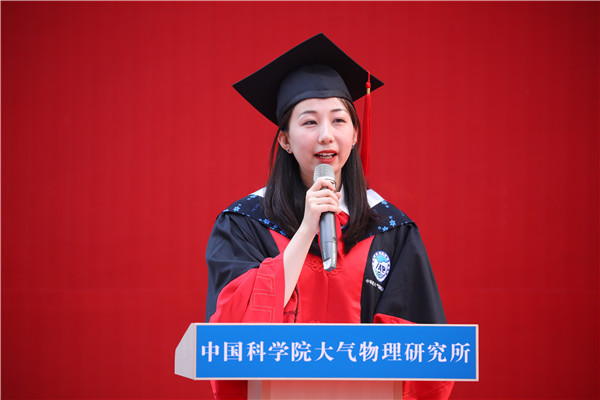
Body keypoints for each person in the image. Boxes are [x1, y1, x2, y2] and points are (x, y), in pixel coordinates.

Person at [205, 33, 453, 400]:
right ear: (285, 140)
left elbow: (421, 347)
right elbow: (233, 331)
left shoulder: (391, 229)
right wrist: (307, 229)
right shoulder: (244, 223)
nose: (326, 136)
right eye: (309, 122)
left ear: (354, 135)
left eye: (339, 120)